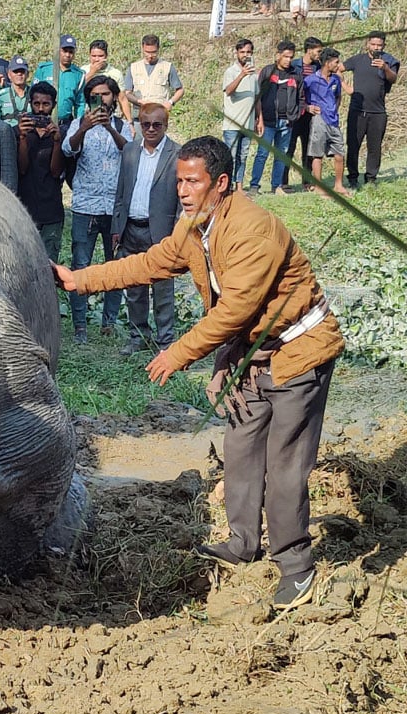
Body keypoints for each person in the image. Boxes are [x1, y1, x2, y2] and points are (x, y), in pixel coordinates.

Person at [52, 136, 344, 611]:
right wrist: (78, 279)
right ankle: (244, 542)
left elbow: (234, 311)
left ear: (221, 183)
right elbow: (149, 264)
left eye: (193, 181)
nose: (183, 191)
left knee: (285, 464)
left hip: (298, 353)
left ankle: (296, 566)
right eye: (179, 181)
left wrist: (177, 354)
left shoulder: (254, 231)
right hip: (252, 353)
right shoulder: (195, 229)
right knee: (242, 447)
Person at [61, 75, 132, 344]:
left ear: (114, 97)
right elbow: (68, 149)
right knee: (80, 265)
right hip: (84, 206)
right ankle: (80, 326)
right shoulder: (79, 124)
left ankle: (109, 323)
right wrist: (85, 128)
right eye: (95, 95)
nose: (101, 99)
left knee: (114, 266)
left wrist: (111, 129)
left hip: (114, 206)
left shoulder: (122, 125)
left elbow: (130, 152)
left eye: (106, 94)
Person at [111, 104, 180, 355]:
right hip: (131, 229)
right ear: (139, 123)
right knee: (134, 288)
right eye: (145, 123)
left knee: (163, 291)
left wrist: (177, 234)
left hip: (161, 233)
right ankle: (138, 336)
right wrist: (116, 227)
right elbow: (120, 192)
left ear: (166, 125)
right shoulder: (130, 150)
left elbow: (182, 199)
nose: (150, 129)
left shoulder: (176, 154)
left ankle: (166, 343)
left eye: (156, 125)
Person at [16, 82, 65, 261]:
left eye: (46, 104)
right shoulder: (18, 131)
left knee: (49, 264)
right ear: (30, 104)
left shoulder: (60, 133)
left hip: (51, 208)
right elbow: (22, 168)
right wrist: (22, 138)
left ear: (53, 105)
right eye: (36, 104)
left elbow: (56, 171)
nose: (41, 109)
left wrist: (57, 141)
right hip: (24, 207)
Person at [344, 31, 399, 187]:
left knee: (374, 147)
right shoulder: (357, 60)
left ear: (384, 46)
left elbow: (393, 79)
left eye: (379, 45)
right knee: (353, 145)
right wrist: (345, 86)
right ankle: (353, 178)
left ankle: (371, 178)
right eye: (373, 44)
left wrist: (385, 68)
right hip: (357, 111)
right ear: (367, 43)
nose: (376, 48)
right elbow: (336, 68)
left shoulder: (388, 60)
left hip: (378, 112)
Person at [250, 40, 304, 195]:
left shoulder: (296, 75)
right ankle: (254, 185)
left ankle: (276, 186)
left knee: (281, 155)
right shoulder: (268, 72)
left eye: (291, 57)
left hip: (287, 123)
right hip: (267, 122)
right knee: (262, 154)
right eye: (285, 56)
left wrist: (295, 115)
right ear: (278, 55)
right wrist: (257, 118)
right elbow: (258, 95)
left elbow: (301, 98)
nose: (288, 60)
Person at [304, 48, 352, 197]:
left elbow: (338, 97)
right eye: (336, 62)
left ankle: (338, 185)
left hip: (334, 120)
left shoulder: (336, 79)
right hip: (319, 120)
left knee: (339, 153)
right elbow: (301, 98)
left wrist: (334, 109)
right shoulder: (310, 80)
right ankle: (318, 187)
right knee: (317, 154)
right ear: (327, 63)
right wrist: (308, 107)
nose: (339, 65)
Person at [283, 37, 324, 189]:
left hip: (311, 115)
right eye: (318, 51)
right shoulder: (293, 66)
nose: (320, 54)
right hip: (294, 113)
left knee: (308, 148)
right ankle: (283, 182)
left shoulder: (317, 67)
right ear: (309, 50)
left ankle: (307, 182)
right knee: (289, 148)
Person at [222, 39, 260, 190]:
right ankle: (227, 186)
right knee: (229, 156)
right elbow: (229, 91)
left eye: (248, 52)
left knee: (242, 156)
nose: (245, 55)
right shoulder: (230, 72)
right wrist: (241, 75)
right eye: (242, 52)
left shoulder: (254, 75)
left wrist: (260, 119)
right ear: (236, 53)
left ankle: (239, 186)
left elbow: (257, 98)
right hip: (232, 123)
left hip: (248, 123)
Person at [123, 35, 184, 116]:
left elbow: (180, 90)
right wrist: (139, 102)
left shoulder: (167, 67)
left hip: (159, 115)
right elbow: (127, 93)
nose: (150, 56)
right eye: (147, 52)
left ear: (158, 49)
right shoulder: (133, 68)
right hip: (139, 115)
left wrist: (170, 102)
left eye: (153, 52)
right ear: (142, 48)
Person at [33, 35, 86, 124]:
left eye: (71, 52)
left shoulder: (79, 75)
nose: (68, 55)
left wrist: (78, 124)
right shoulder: (43, 70)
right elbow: (32, 95)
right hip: (43, 122)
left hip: (65, 124)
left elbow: (80, 103)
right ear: (58, 50)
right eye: (64, 51)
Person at [81, 39, 130, 122]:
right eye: (94, 56)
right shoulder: (82, 71)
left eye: (100, 56)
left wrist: (129, 121)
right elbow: (78, 90)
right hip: (88, 115)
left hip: (110, 115)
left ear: (106, 56)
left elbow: (122, 98)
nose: (97, 59)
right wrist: (92, 73)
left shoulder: (115, 73)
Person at [0, 55, 32, 127]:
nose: (19, 74)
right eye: (16, 71)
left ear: (27, 74)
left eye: (22, 71)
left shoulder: (35, 95)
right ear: (9, 75)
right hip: (7, 135)